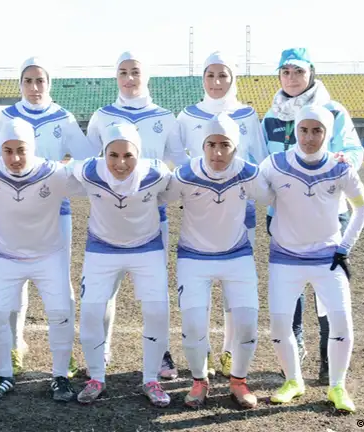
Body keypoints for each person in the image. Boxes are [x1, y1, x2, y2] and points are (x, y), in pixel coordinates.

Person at [261, 47, 364, 383]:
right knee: (289, 285)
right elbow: (265, 162)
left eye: (298, 71)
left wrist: (344, 162)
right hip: (283, 213)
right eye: (285, 72)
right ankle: (295, 348)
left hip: (328, 213)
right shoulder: (271, 116)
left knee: (327, 288)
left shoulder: (333, 110)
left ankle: (327, 358)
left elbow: (352, 150)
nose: (291, 78)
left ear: (311, 74)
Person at [0, 56, 97, 375]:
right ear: (20, 84)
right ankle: (15, 346)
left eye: (40, 81)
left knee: (60, 281)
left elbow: (88, 159)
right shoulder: (6, 116)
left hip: (55, 210)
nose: (34, 87)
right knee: (14, 282)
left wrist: (61, 170)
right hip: (13, 211)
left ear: (49, 83)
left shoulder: (62, 117)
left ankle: (65, 351)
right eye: (28, 81)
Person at [86, 51, 189, 379]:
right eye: (123, 72)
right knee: (106, 290)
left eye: (135, 72)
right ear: (116, 77)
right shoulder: (101, 116)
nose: (129, 78)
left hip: (152, 217)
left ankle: (161, 353)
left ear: (147, 76)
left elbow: (179, 162)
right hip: (109, 219)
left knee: (155, 292)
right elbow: (89, 163)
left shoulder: (165, 117)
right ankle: (101, 349)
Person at [166, 114, 272, 409]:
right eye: (211, 144)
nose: (217, 152)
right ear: (203, 146)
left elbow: (274, 197)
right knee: (193, 325)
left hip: (237, 256)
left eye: (225, 145)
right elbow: (155, 197)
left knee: (247, 324)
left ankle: (239, 381)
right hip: (193, 257)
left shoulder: (248, 173)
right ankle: (199, 381)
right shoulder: (185, 174)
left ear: (235, 147)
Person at [0, 118, 79, 401]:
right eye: (8, 150)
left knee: (60, 312)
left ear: (33, 147)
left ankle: (60, 376)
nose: (15, 158)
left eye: (22, 150)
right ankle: (4, 374)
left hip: (49, 257)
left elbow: (92, 182)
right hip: (7, 258)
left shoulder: (54, 173)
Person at [175, 51, 269, 379]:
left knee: (235, 291)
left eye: (223, 75)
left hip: (241, 212)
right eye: (210, 75)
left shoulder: (247, 114)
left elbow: (260, 158)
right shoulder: (187, 115)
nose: (216, 82)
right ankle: (202, 353)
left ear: (233, 78)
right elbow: (179, 159)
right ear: (202, 78)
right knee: (198, 291)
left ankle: (230, 352)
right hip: (201, 211)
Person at [71, 123, 172, 407]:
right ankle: (96, 377)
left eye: (128, 155)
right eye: (113, 155)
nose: (120, 163)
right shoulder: (88, 170)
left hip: (147, 248)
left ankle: (151, 379)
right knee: (91, 312)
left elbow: (177, 191)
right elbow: (56, 172)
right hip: (101, 249)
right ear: (103, 153)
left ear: (139, 153)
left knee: (157, 311)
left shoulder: (157, 173)